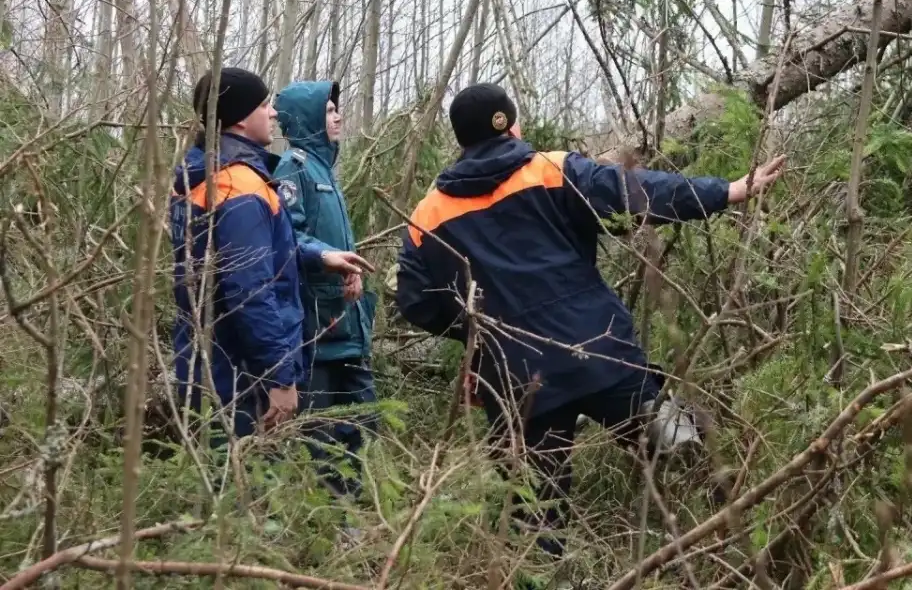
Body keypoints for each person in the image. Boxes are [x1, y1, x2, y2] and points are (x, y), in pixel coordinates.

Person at [393, 83, 785, 559]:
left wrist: (478, 330)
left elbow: (416, 302)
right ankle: (754, 539)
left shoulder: (426, 215)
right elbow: (638, 193)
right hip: (601, 355)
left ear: (461, 139)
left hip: (517, 381)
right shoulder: (551, 170)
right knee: (689, 446)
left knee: (536, 516)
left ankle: (549, 569)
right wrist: (725, 191)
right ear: (510, 125)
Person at [170, 67, 373, 444]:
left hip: (206, 358)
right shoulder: (239, 184)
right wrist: (280, 375)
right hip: (241, 372)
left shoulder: (197, 177)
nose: (274, 113)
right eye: (265, 105)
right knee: (247, 485)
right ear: (242, 119)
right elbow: (250, 289)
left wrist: (318, 257)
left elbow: (244, 256)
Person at [273, 80, 378, 499]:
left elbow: (332, 243)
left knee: (363, 424)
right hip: (319, 332)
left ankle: (355, 514)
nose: (338, 116)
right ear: (308, 117)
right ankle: (331, 519)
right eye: (330, 110)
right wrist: (322, 258)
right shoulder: (294, 168)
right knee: (323, 436)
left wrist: (349, 267)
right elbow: (284, 237)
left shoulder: (324, 170)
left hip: (348, 327)